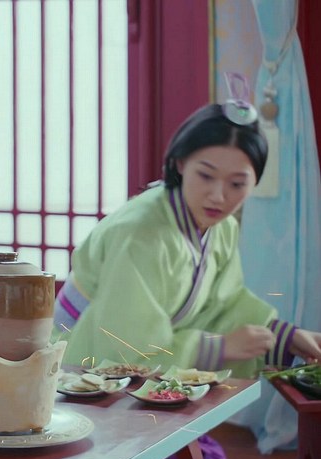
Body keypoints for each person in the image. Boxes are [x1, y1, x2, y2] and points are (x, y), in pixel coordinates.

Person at [55, 92, 321, 378]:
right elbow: (124, 343)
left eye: (236, 184)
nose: (218, 196)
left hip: (144, 358)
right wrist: (218, 348)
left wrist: (282, 335)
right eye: (206, 176)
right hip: (82, 358)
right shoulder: (141, 234)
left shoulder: (222, 227)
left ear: (254, 182)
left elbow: (223, 304)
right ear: (181, 163)